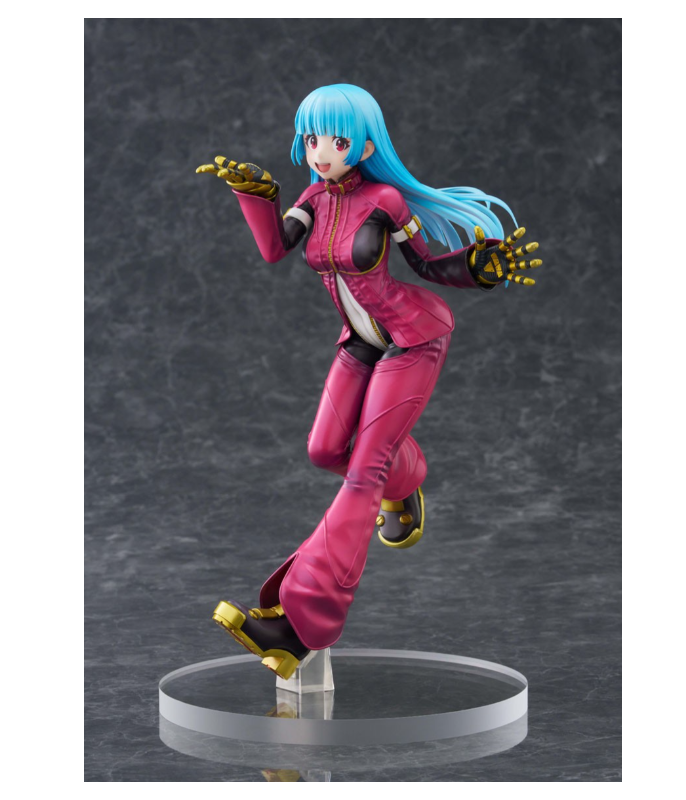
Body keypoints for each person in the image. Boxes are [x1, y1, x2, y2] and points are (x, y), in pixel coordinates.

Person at [196, 84, 542, 679]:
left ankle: (299, 625)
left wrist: (477, 267)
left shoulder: (385, 201)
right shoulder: (313, 198)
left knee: (363, 469)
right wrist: (257, 195)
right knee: (325, 449)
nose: (321, 151)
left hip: (414, 337)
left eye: (336, 140)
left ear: (363, 144)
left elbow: (426, 264)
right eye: (311, 138)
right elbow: (276, 249)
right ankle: (404, 480)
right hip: (359, 342)